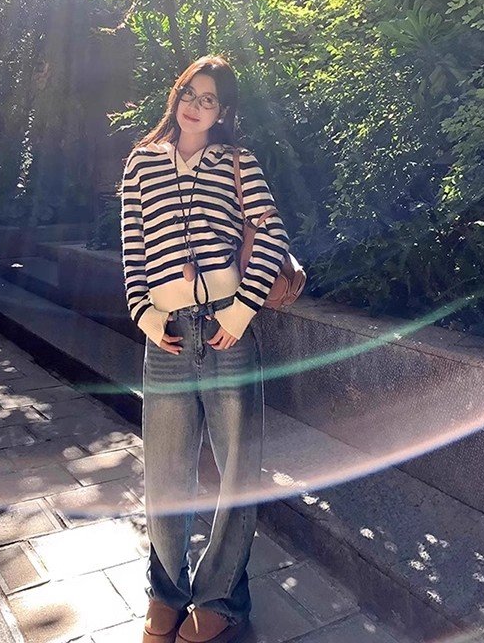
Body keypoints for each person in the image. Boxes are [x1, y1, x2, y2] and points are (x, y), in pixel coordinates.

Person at [120, 55, 291, 643]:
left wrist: (241, 310)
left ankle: (221, 597)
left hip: (227, 329)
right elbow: (133, 247)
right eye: (189, 93)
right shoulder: (141, 162)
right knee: (165, 472)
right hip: (167, 333)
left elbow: (272, 235)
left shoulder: (239, 162)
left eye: (209, 98)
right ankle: (166, 591)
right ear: (176, 95)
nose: (195, 105)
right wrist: (144, 314)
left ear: (224, 111)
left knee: (238, 470)